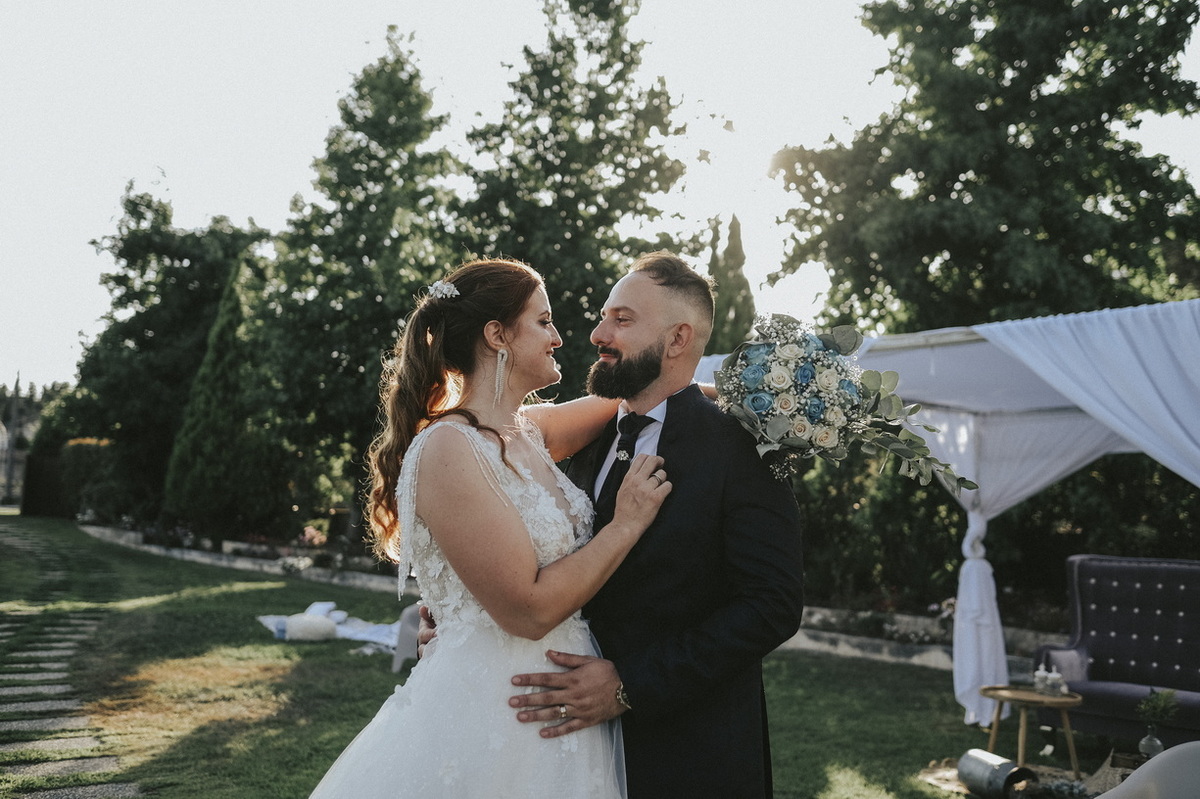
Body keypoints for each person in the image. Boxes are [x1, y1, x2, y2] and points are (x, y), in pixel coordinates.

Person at [309, 258, 672, 798]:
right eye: (543, 322)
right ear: (497, 335)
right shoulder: (449, 448)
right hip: (493, 709)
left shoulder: (529, 432)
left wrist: (756, 399)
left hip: (559, 707)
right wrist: (626, 525)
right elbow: (527, 610)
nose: (558, 337)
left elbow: (644, 401)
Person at [506, 251, 806, 798]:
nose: (598, 334)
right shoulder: (584, 438)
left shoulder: (743, 448)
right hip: (567, 750)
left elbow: (772, 604)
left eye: (622, 320)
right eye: (604, 317)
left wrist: (630, 685)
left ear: (677, 340)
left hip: (691, 754)